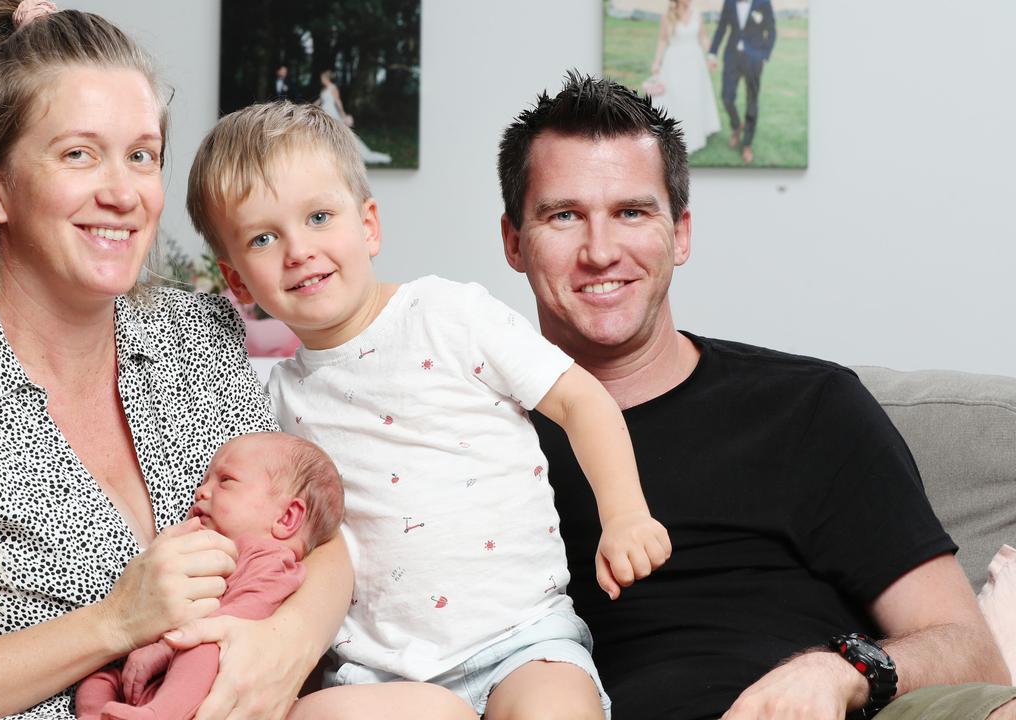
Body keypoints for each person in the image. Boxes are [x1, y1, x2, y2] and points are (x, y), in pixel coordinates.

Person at [0, 2, 350, 718]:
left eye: (142, 155)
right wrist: (115, 620)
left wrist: (286, 643)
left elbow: (318, 537)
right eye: (80, 153)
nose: (123, 193)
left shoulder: (197, 339)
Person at [496, 70, 1016, 720]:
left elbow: (974, 654)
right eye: (564, 216)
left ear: (680, 233)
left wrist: (841, 670)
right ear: (515, 242)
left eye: (632, 212)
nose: (600, 251)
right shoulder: (466, 434)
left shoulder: (809, 407)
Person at [187, 101, 674, 720]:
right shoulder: (269, 397)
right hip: (374, 672)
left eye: (318, 217)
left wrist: (625, 514)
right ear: (236, 281)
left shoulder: (450, 315)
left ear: (368, 224)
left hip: (521, 642)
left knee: (557, 709)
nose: (298, 250)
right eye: (263, 237)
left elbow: (581, 401)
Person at [76, 432, 345, 720]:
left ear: (286, 518)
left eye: (226, 481)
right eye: (205, 481)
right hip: (162, 679)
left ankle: (160, 714)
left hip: (215, 684)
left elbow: (242, 615)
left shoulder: (271, 561)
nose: (201, 491)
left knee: (206, 646)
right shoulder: (217, 547)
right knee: (97, 680)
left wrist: (165, 648)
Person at [648, 0, 720, 154]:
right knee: (677, 97)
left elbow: (703, 38)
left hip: (695, 63)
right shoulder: (668, 16)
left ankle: (696, 130)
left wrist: (711, 56)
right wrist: (656, 62)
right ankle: (675, 135)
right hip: (675, 63)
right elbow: (662, 40)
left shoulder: (697, 14)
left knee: (694, 97)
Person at [708, 0, 775, 164]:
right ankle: (737, 126)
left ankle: (747, 144)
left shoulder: (763, 2)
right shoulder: (729, 3)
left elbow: (771, 30)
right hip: (732, 58)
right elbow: (721, 28)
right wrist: (712, 53)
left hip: (754, 59)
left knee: (752, 100)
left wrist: (764, 55)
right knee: (726, 97)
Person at [316, 69, 391, 165]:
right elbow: (319, 101)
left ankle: (360, 154)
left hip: (332, 113)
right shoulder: (324, 89)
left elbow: (338, 102)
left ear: (326, 78)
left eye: (322, 78)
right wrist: (308, 106)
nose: (321, 80)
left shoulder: (333, 88)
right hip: (324, 112)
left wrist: (343, 115)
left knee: (340, 134)